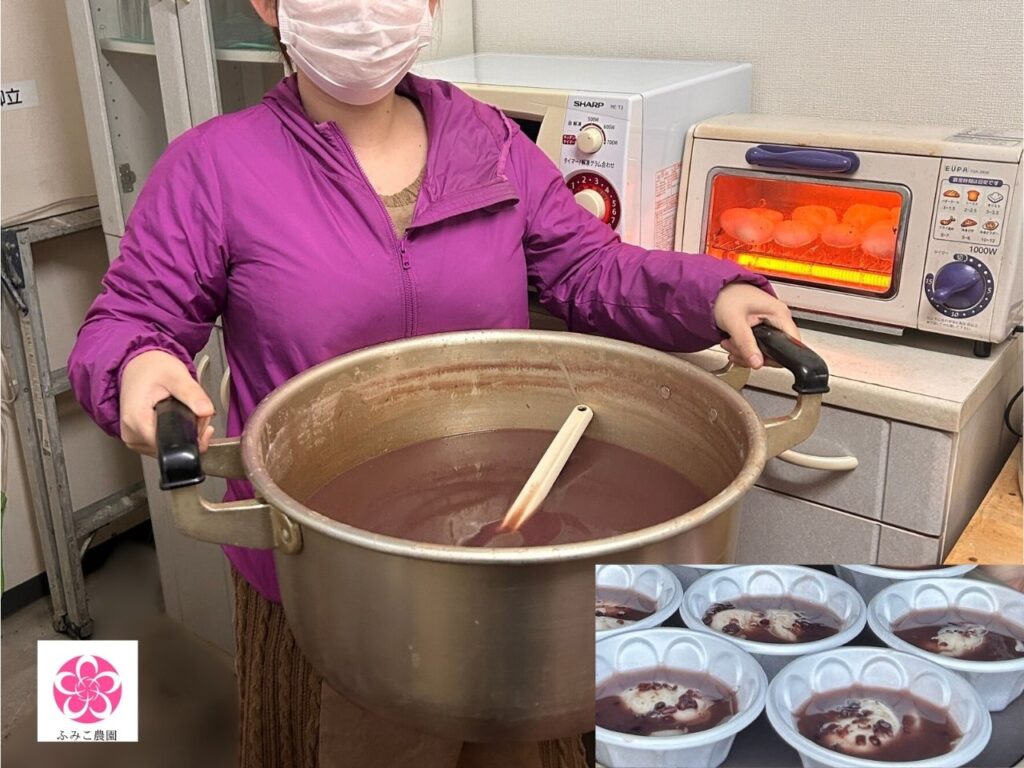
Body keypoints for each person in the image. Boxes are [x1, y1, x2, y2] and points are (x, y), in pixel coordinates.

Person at [68, 1, 799, 765]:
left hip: (509, 552)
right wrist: (137, 365)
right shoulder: (214, 167)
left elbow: (589, 267)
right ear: (267, 4)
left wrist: (713, 294)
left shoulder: (488, 142)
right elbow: (132, 318)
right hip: (329, 574)